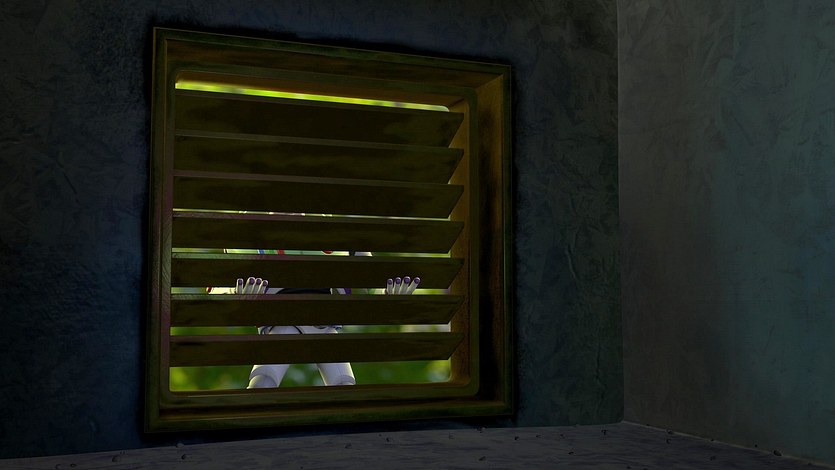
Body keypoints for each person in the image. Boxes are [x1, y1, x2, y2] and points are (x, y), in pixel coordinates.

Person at [224, 249, 421, 388]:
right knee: (266, 379)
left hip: (315, 321)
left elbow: (373, 283)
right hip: (295, 320)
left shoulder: (344, 234)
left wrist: (387, 294)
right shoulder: (344, 231)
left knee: (342, 384)